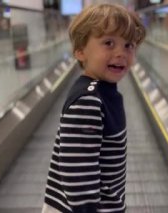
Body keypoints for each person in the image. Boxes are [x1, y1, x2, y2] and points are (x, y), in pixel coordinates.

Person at [43, 3, 146, 213]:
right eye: (109, 43)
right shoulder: (88, 101)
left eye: (129, 45)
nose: (121, 53)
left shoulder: (105, 92)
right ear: (80, 51)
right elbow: (77, 174)